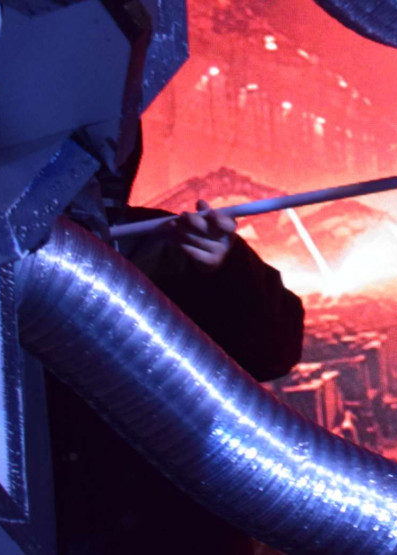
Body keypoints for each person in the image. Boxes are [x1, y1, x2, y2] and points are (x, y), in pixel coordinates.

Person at [49, 183, 305, 555]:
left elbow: (274, 352)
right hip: (63, 508)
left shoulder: (165, 239)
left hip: (170, 512)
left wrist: (227, 269)